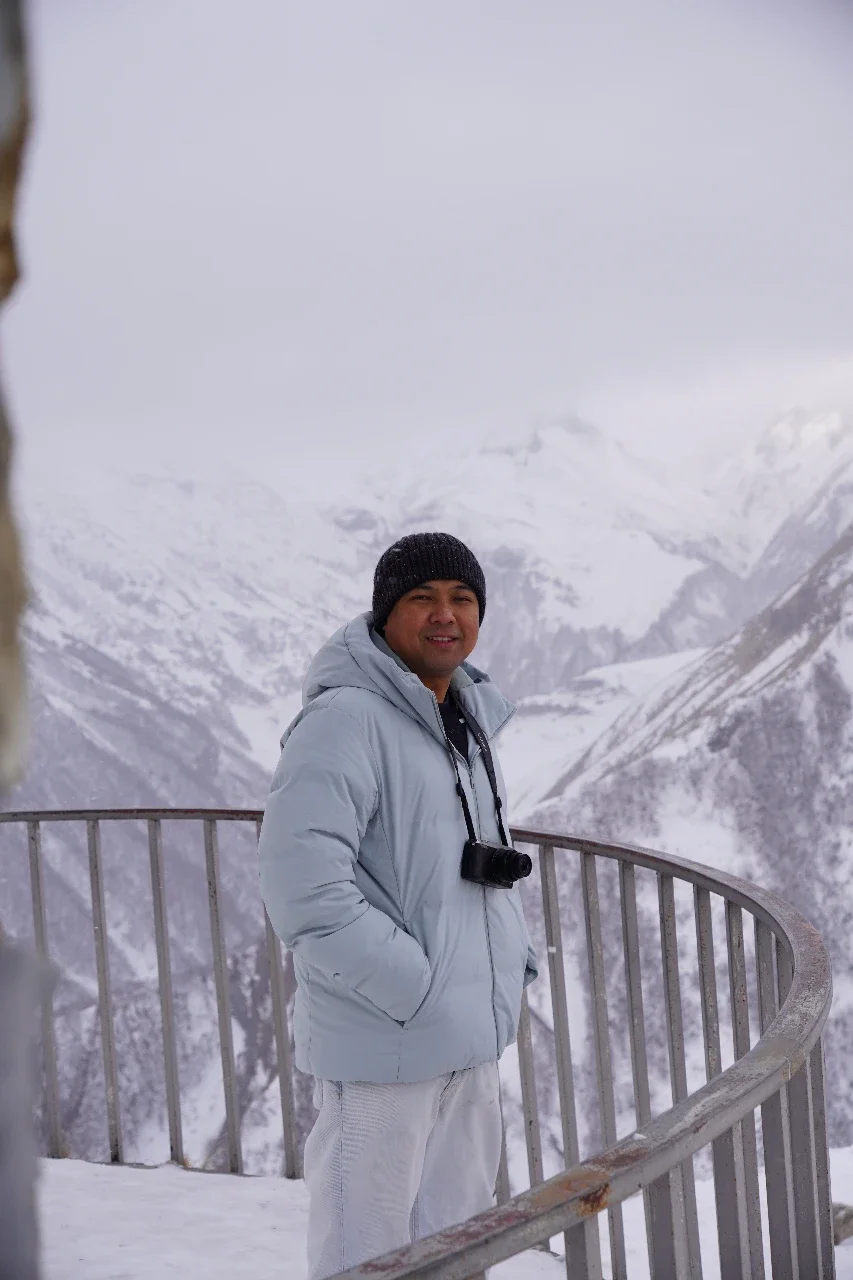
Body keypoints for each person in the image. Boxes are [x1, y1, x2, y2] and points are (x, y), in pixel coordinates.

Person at [258, 531, 538, 1280]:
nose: (445, 615)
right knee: (368, 1253)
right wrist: (410, 988)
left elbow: (467, 868)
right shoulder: (346, 721)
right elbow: (303, 890)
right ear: (385, 616)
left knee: (458, 1245)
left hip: (465, 1042)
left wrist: (508, 964)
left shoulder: (461, 717)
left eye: (462, 598)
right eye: (422, 598)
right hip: (386, 1047)